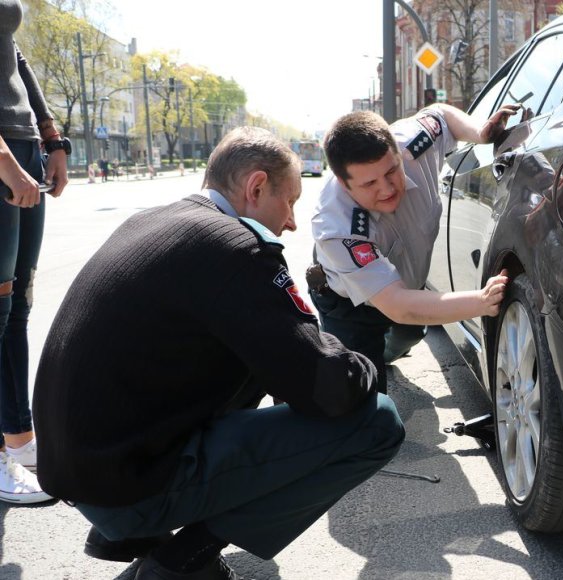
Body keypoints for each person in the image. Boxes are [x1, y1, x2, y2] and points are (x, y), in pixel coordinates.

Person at [32, 126, 404, 580]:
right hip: (125, 482)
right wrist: (365, 364)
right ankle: (181, 557)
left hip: (82, 467)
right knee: (378, 421)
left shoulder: (159, 220)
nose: (290, 222)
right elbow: (328, 387)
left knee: (256, 349)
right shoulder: (237, 248)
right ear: (256, 187)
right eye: (289, 202)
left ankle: (130, 534)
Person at [308, 103, 518, 393]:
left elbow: (441, 115)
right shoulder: (335, 226)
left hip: (409, 290)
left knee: (409, 336)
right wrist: (481, 302)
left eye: (392, 170)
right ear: (344, 184)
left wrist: (478, 133)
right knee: (363, 400)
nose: (387, 188)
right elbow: (397, 305)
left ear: (397, 151)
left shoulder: (414, 143)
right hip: (350, 306)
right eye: (370, 183)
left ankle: (383, 355)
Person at [0, 0, 69, 504]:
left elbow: (16, 54)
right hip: (4, 153)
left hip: (24, 145)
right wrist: (5, 160)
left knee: (17, 306)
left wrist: (52, 137)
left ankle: (18, 438)